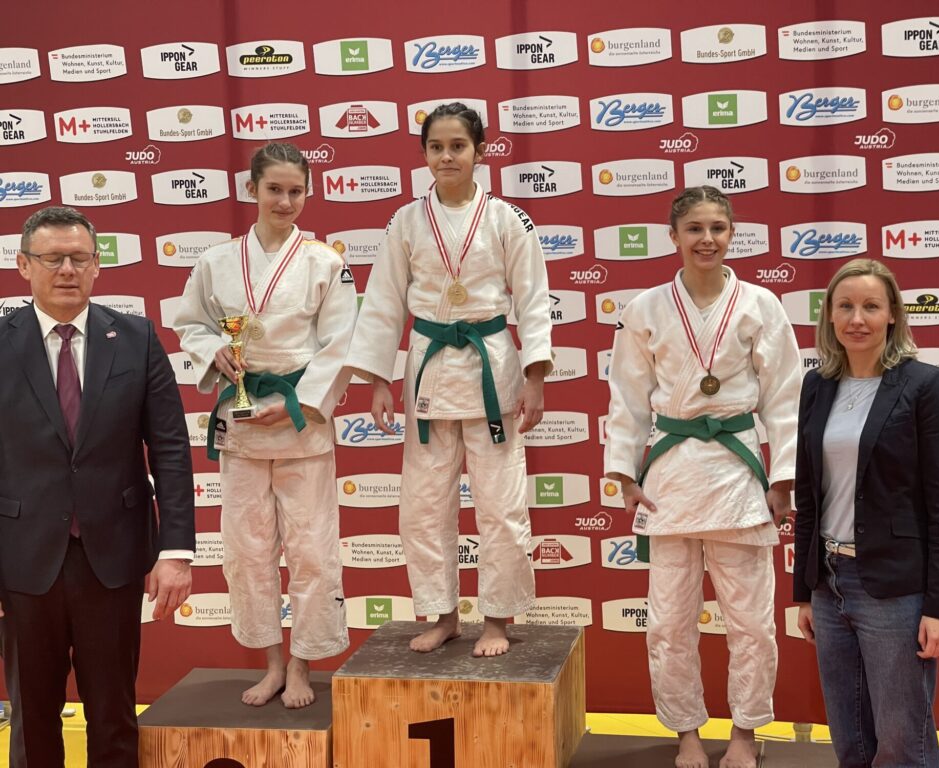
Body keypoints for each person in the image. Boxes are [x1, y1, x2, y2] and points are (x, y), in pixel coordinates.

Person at [344, 102, 552, 658]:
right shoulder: (406, 222)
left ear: (480, 151)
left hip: (491, 369)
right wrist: (379, 379)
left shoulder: (507, 219)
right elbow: (383, 303)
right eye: (436, 147)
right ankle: (442, 614)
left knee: (501, 506)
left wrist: (535, 376)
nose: (447, 157)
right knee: (423, 505)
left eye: (458, 146)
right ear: (424, 155)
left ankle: (498, 618)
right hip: (430, 369)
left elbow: (533, 300)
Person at [604, 186, 801, 768]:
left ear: (732, 234)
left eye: (717, 228)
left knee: (752, 622)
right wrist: (624, 472)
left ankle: (745, 732)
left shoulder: (760, 304)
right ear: (674, 236)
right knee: (668, 623)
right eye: (694, 229)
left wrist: (784, 477)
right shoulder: (645, 309)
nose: (707, 239)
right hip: (670, 475)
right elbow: (628, 397)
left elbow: (784, 396)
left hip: (737, 472)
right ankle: (686, 731)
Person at [0, 205, 195, 767]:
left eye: (79, 258)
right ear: (23, 265)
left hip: (112, 559)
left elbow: (170, 449)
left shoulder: (136, 338)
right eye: (52, 258)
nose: (67, 269)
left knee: (113, 717)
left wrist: (176, 552)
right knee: (33, 721)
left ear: (96, 266)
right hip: (23, 560)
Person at [174, 142, 357, 707]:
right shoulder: (217, 261)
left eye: (296, 191)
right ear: (251, 189)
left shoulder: (325, 262)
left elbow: (342, 342)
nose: (285, 201)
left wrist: (301, 402)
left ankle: (302, 665)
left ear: (308, 194)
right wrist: (212, 351)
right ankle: (273, 663)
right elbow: (190, 323)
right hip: (243, 420)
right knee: (248, 550)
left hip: (301, 421)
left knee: (311, 550)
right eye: (274, 189)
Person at [793, 258, 939, 768]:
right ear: (829, 315)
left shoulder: (926, 385)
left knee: (902, 744)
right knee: (850, 741)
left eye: (871, 306)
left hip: (895, 590)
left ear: (892, 315)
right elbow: (810, 494)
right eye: (845, 306)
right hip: (829, 584)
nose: (857, 319)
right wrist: (805, 590)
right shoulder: (817, 385)